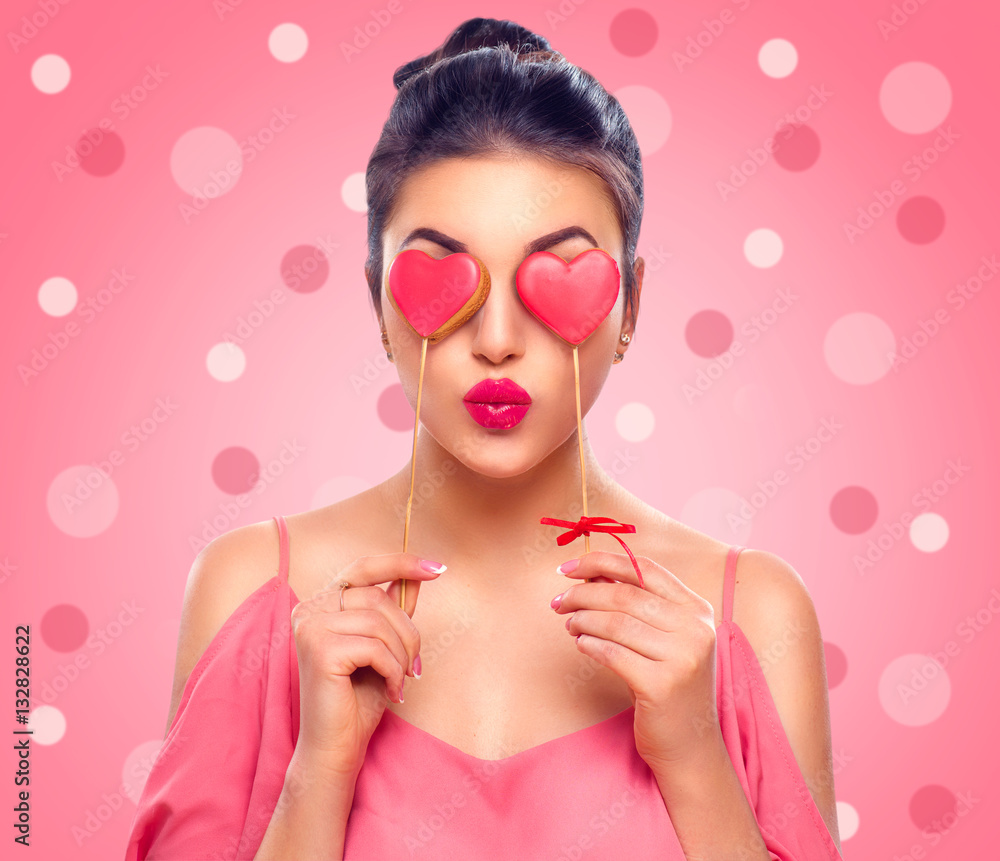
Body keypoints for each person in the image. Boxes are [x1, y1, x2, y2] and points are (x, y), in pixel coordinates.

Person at [124, 17, 844, 860]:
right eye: (445, 277)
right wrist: (320, 767)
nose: (497, 337)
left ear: (632, 309)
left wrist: (693, 752)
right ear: (377, 306)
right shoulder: (253, 590)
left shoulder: (752, 614)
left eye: (556, 275)